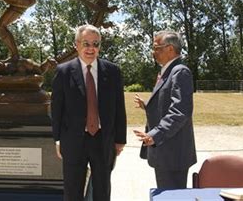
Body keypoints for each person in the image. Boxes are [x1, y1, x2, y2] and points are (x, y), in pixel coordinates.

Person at [51, 24, 127, 201]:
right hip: (73, 140)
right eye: (86, 43)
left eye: (96, 44)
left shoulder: (113, 71)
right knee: (72, 190)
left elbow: (119, 107)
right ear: (76, 45)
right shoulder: (63, 72)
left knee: (102, 189)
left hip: (103, 139)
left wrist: (120, 139)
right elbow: (56, 109)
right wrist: (57, 139)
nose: (91, 48)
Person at [133, 30, 196, 189]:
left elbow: (180, 111)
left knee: (171, 196)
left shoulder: (180, 71)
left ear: (169, 49)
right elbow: (167, 104)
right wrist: (147, 106)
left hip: (173, 153)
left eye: (156, 48)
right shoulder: (168, 71)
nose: (153, 52)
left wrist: (155, 134)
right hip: (166, 151)